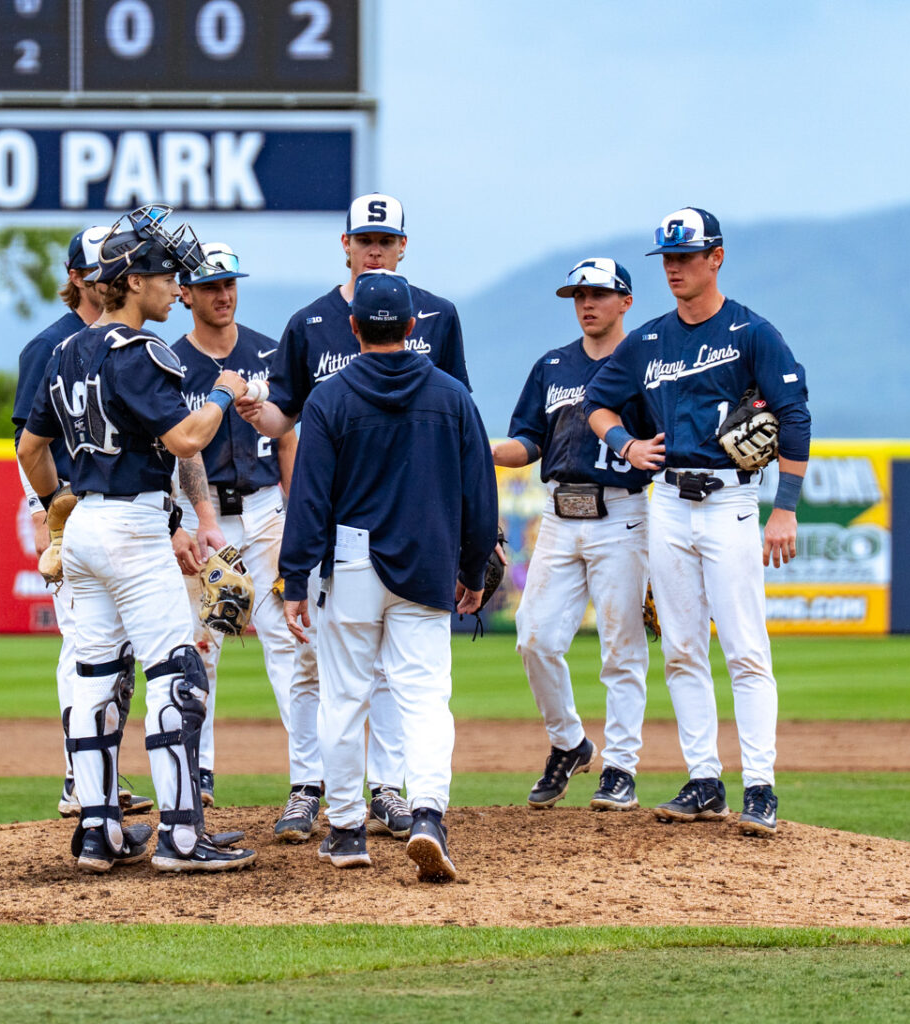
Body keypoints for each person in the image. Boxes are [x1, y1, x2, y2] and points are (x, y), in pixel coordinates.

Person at [18, 205, 256, 874]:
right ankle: (182, 835)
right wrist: (220, 390)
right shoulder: (142, 350)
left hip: (86, 525)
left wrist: (52, 503)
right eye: (164, 275)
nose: (174, 286)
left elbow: (32, 447)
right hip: (133, 525)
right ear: (132, 280)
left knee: (94, 676)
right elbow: (184, 439)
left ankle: (97, 831)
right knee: (176, 675)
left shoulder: (67, 350)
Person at [236, 192, 471, 841]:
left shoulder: (439, 317)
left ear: (402, 247)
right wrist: (262, 413)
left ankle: (380, 797)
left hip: (389, 525)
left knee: (379, 681)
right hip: (349, 523)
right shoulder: (310, 324)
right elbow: (287, 413)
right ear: (344, 243)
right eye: (364, 239)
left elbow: (459, 419)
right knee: (337, 673)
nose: (373, 249)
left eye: (384, 240)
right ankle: (314, 789)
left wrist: (478, 539)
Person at [583, 207, 811, 838]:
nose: (675, 268)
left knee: (743, 647)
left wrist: (785, 507)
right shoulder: (651, 339)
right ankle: (705, 779)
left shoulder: (751, 333)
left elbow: (794, 415)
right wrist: (627, 445)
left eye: (686, 256)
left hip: (730, 502)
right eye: (667, 258)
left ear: (716, 258)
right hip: (668, 503)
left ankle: (759, 786)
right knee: (682, 647)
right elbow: (597, 403)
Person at [280, 271, 498, 882]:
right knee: (424, 698)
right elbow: (480, 495)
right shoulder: (452, 396)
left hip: (350, 563)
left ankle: (347, 830)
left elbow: (310, 498)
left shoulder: (330, 398)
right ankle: (427, 815)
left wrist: (295, 577)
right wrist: (474, 567)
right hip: (427, 563)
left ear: (353, 328)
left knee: (344, 698)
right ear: (411, 328)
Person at [166, 242, 328, 841]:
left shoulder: (268, 351)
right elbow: (178, 449)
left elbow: (288, 439)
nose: (224, 293)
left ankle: (308, 784)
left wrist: (296, 515)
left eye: (230, 282)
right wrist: (188, 520)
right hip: (200, 512)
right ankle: (197, 774)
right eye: (210, 285)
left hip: (265, 510)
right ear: (185, 293)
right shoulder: (170, 360)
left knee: (291, 642)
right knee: (198, 647)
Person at [495, 258, 653, 812]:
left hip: (621, 514)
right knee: (533, 636)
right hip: (560, 517)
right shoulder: (553, 365)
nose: (587, 303)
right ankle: (569, 742)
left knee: (622, 648)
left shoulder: (647, 362)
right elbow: (527, 443)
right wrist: (485, 450)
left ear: (626, 301)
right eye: (579, 295)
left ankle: (621, 767)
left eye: (599, 294)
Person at [11, 225, 155, 821]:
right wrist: (45, 515)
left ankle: (102, 774)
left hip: (118, 509)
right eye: (96, 267)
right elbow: (26, 442)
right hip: (73, 507)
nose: (106, 275)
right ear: (76, 278)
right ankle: (79, 776)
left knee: (114, 654)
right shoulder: (52, 345)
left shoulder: (119, 341)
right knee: (84, 646)